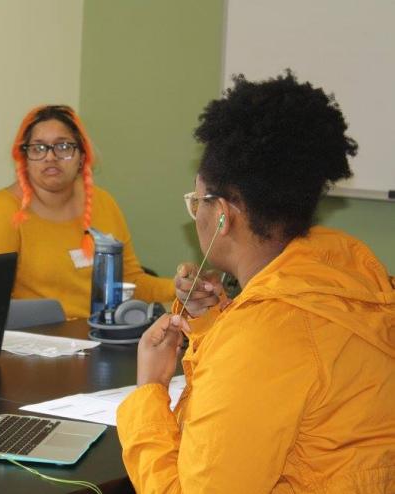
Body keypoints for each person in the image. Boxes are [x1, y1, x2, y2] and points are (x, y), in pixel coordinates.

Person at [116, 72, 395, 492]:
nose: (196, 216)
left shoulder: (266, 333)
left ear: (224, 215)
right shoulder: (345, 273)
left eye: (197, 202)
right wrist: (213, 324)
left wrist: (150, 392)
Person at [0, 105, 175, 319]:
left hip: (100, 337)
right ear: (24, 159)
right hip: (37, 346)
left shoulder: (103, 202)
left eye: (63, 147)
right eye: (38, 148)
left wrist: (179, 288)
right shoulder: (2, 211)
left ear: (82, 157)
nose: (50, 157)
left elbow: (131, 282)